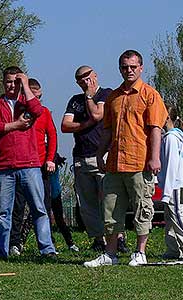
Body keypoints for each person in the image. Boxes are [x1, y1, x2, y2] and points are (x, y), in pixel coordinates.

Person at [84, 50, 168, 267]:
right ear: (120, 68)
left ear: (141, 68)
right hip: (115, 163)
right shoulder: (113, 97)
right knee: (110, 209)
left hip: (140, 162)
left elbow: (156, 129)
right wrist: (99, 153)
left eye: (132, 67)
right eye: (124, 67)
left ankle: (140, 252)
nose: (128, 71)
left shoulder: (150, 94)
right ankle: (110, 253)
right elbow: (107, 130)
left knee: (142, 207)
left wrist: (155, 157)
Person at [0, 66, 56, 259]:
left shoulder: (27, 103)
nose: (12, 85)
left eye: (16, 81)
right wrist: (14, 125)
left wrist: (25, 84)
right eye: (9, 81)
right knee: (3, 212)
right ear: (3, 83)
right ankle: (0, 250)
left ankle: (47, 249)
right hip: (4, 167)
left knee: (39, 209)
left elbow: (38, 110)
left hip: (30, 165)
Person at [9, 79, 78, 255]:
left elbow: (53, 136)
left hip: (41, 166)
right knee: (17, 206)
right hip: (20, 165)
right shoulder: (14, 111)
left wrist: (50, 160)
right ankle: (14, 243)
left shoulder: (44, 113)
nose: (36, 99)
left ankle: (47, 244)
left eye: (39, 96)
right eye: (33, 95)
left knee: (44, 207)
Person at [61, 65, 118, 252]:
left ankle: (118, 237)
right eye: (81, 79)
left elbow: (97, 114)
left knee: (109, 200)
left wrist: (89, 96)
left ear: (95, 75)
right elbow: (65, 125)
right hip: (81, 157)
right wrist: (85, 124)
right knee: (87, 203)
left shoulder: (106, 94)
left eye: (88, 77)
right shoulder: (75, 101)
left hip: (102, 155)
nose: (86, 81)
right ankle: (98, 238)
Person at [158, 104, 183, 261]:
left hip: (174, 186)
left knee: (178, 218)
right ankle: (173, 248)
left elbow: (171, 167)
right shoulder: (173, 137)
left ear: (166, 118)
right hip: (178, 184)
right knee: (170, 219)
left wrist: (166, 192)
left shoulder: (171, 139)